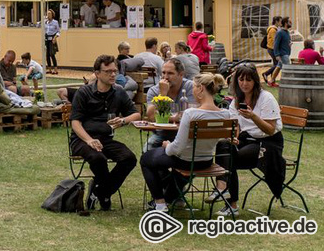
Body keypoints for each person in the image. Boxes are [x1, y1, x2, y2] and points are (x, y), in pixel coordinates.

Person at [139, 73, 230, 213]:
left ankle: (160, 203)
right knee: (169, 165)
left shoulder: (190, 113)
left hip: (185, 161)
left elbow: (177, 148)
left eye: (194, 87)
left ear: (200, 89)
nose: (193, 90)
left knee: (146, 159)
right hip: (206, 161)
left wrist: (167, 146)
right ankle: (171, 198)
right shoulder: (225, 114)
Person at [211, 64, 284, 216]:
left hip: (268, 143)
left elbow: (270, 129)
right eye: (241, 79)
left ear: (255, 82)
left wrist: (253, 117)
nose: (244, 83)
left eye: (248, 80)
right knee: (224, 145)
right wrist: (234, 138)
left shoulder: (266, 98)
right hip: (247, 140)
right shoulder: (237, 100)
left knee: (229, 159)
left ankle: (230, 201)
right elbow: (235, 126)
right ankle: (224, 190)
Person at [69, 54, 140, 210]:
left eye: (115, 71)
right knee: (98, 158)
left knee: (129, 158)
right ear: (97, 73)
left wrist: (123, 121)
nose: (113, 74)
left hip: (105, 140)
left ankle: (101, 192)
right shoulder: (84, 92)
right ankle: (104, 196)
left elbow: (136, 114)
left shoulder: (119, 92)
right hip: (82, 140)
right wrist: (89, 140)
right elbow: (75, 122)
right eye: (108, 71)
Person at [144, 59, 195, 150]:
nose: (165, 77)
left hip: (185, 134)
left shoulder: (190, 87)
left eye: (170, 73)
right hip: (162, 134)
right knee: (148, 148)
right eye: (163, 73)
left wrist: (164, 117)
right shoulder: (154, 90)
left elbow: (192, 114)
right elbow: (151, 116)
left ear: (181, 74)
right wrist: (162, 95)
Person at [266, 18, 291, 87]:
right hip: (283, 54)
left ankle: (271, 81)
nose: (291, 23)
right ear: (286, 23)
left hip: (286, 53)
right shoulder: (280, 32)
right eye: (290, 22)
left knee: (278, 67)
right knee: (287, 68)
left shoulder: (287, 32)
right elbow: (276, 44)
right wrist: (277, 55)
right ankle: (286, 83)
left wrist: (289, 44)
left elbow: (285, 42)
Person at [44, 9, 60, 75]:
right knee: (47, 54)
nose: (48, 15)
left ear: (52, 15)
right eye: (47, 14)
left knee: (52, 54)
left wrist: (55, 38)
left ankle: (55, 69)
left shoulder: (55, 22)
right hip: (47, 38)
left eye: (49, 14)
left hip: (52, 38)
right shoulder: (46, 22)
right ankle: (49, 69)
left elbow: (58, 31)